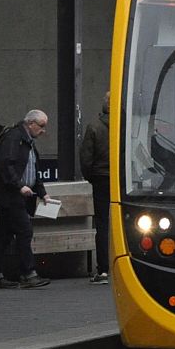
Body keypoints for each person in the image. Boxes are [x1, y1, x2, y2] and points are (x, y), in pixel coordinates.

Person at [0, 110, 51, 290]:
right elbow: (5, 164)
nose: (43, 131)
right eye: (41, 126)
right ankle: (28, 273)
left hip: (15, 195)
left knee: (4, 235)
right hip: (11, 195)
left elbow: (33, 170)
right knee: (24, 231)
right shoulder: (15, 138)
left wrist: (42, 192)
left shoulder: (28, 142)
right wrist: (19, 185)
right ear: (30, 123)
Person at [80, 93, 111, 284]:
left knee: (102, 224)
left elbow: (85, 158)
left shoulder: (94, 127)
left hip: (100, 179)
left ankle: (103, 270)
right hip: (120, 180)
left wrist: (91, 176)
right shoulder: (125, 127)